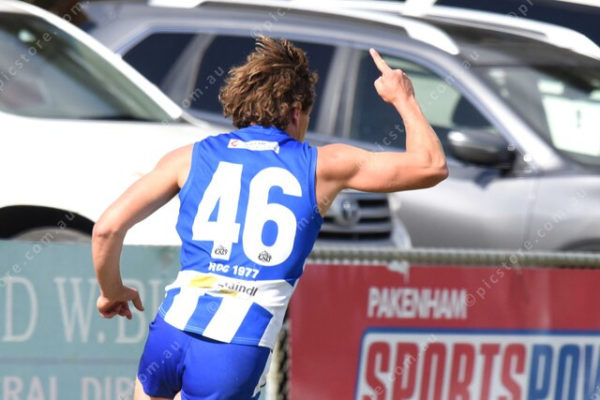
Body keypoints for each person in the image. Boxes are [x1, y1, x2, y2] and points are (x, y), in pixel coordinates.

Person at [92, 36, 447, 400]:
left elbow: (106, 229)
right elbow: (431, 165)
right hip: (235, 348)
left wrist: (111, 291)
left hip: (171, 332)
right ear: (295, 111)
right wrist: (403, 97)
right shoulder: (322, 165)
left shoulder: (187, 157)